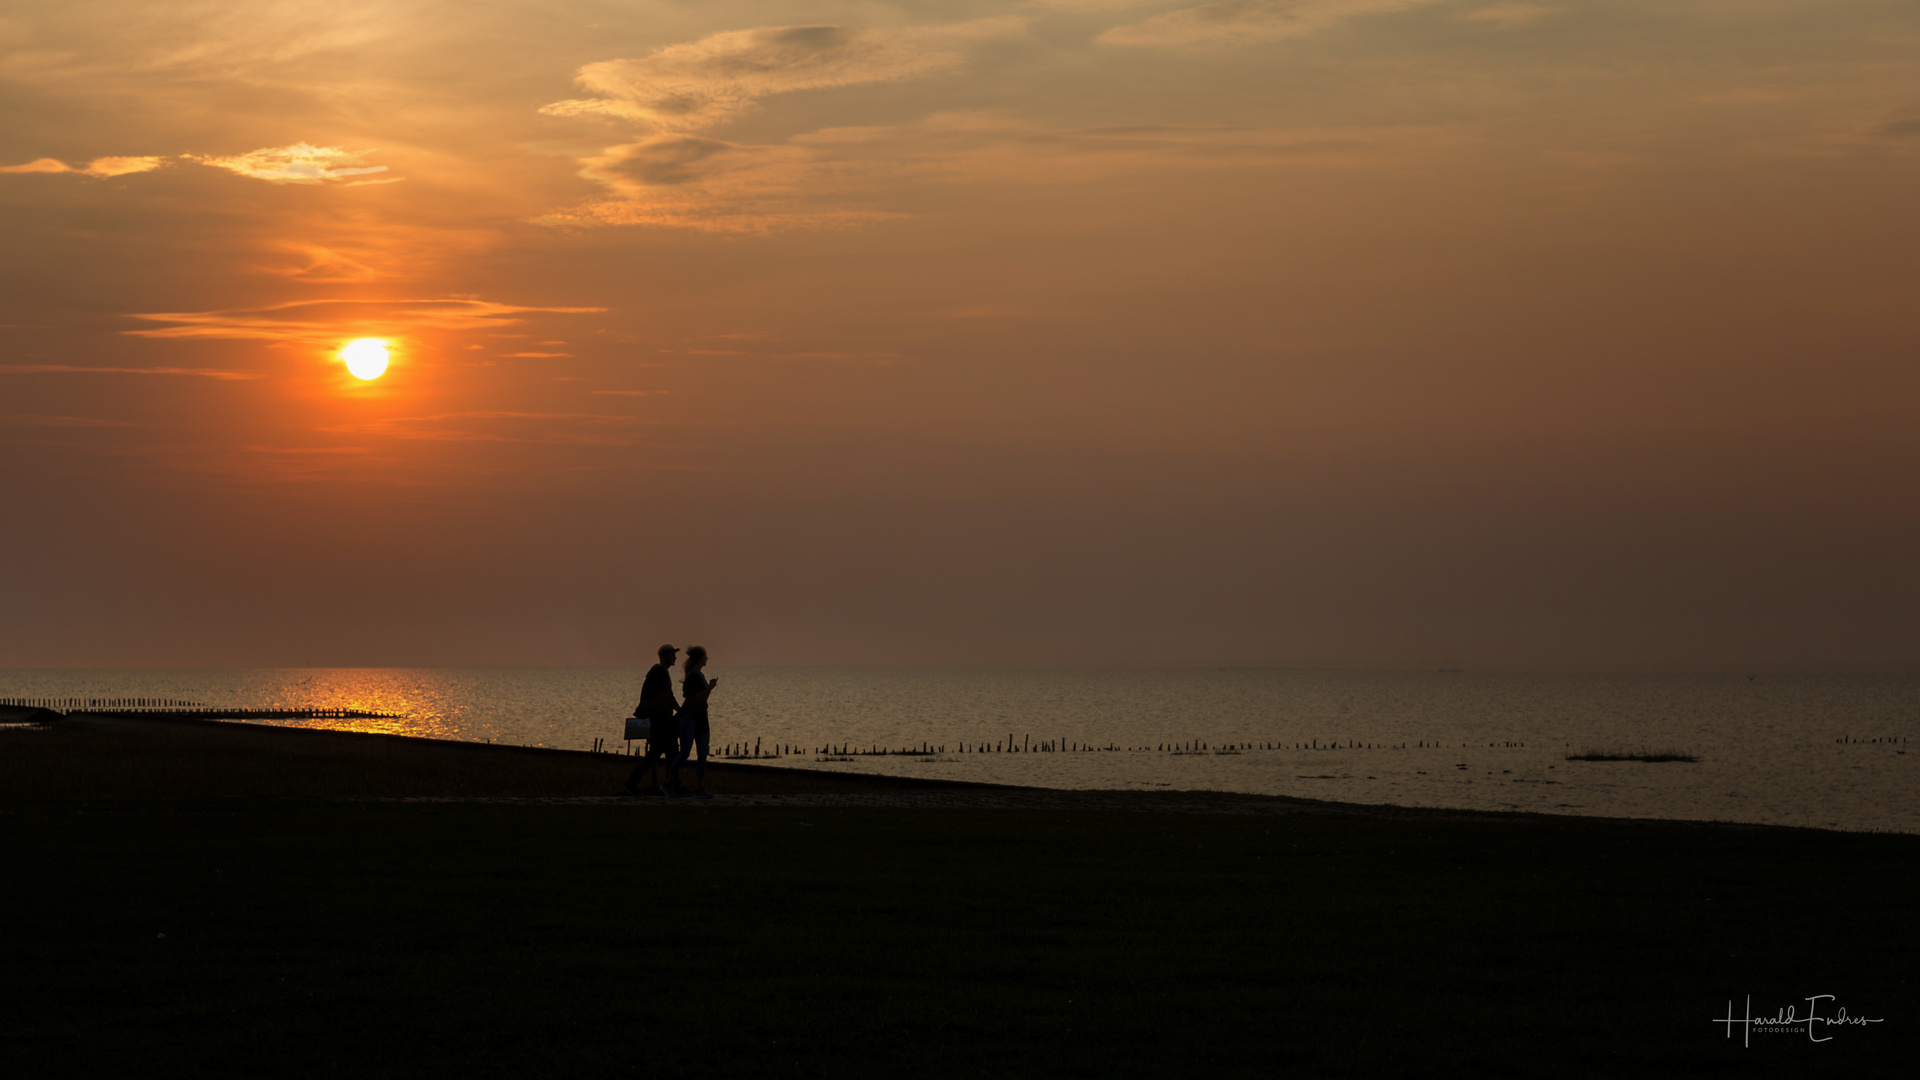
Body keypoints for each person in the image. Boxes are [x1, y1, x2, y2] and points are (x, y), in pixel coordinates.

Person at [623, 644, 681, 796]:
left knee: (666, 752)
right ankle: (669, 784)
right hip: (662, 720)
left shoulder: (660, 672)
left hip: (661, 719)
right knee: (665, 752)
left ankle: (671, 784)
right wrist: (678, 710)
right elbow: (666, 696)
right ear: (663, 656)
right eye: (671, 655)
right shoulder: (659, 672)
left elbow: (664, 695)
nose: (675, 657)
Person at [667, 645, 718, 799]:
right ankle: (668, 783)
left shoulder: (700, 676)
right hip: (690, 718)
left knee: (702, 754)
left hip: (702, 718)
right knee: (685, 752)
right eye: (705, 656)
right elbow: (693, 697)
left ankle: (700, 787)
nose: (707, 659)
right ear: (699, 659)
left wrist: (709, 689)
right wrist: (709, 688)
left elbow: (702, 698)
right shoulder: (692, 676)